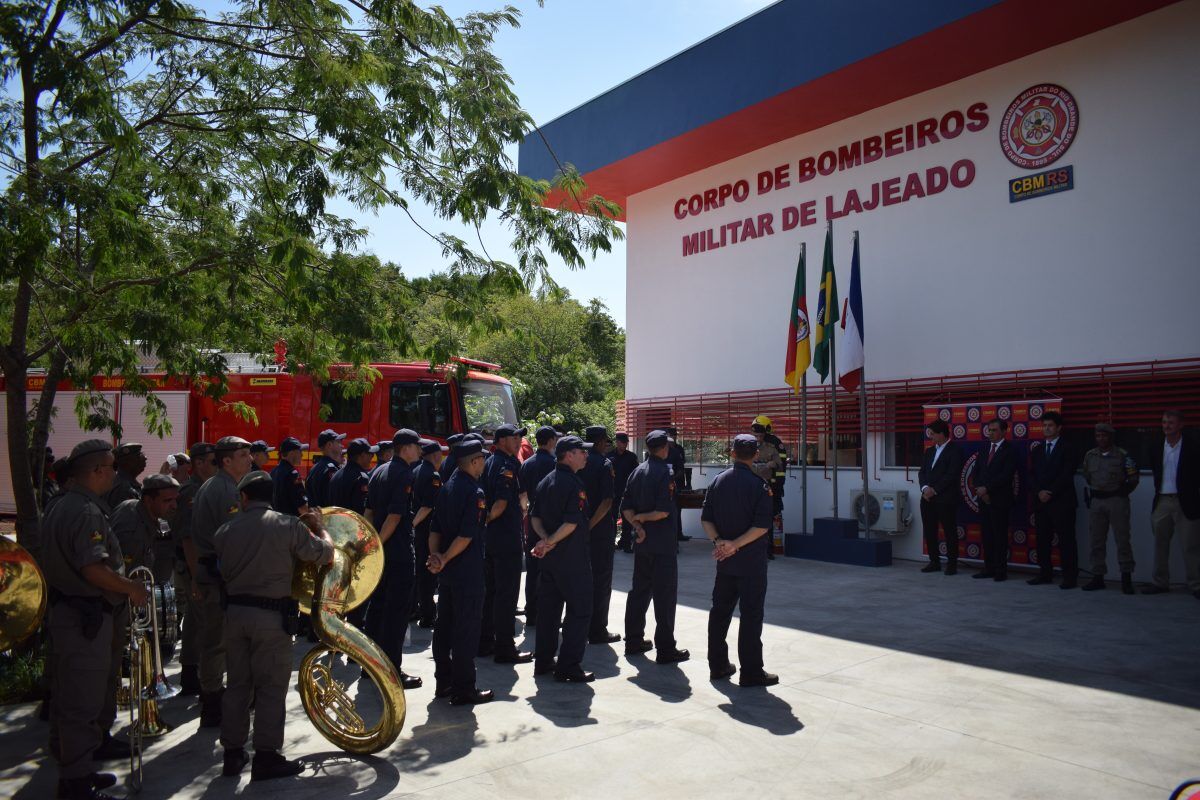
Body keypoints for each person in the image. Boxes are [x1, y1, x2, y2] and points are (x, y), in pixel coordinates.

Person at [41, 439, 151, 800]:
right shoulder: (85, 511)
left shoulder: (62, 503)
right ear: (97, 471)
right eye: (111, 468)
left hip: (67, 613)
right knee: (81, 704)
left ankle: (79, 769)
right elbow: (93, 568)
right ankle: (74, 784)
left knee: (68, 698)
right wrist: (130, 589)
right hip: (83, 617)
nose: (114, 475)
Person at [215, 470, 334, 781]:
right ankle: (266, 757)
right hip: (271, 618)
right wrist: (321, 529)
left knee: (237, 685)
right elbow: (325, 555)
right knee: (270, 687)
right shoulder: (287, 525)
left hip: (234, 615)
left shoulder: (225, 530)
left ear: (243, 497)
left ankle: (232, 753)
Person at [702, 434, 778, 687]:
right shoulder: (760, 486)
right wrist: (734, 545)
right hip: (751, 564)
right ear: (756, 454)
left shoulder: (718, 482)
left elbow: (706, 519)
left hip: (725, 562)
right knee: (751, 616)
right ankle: (751, 671)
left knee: (720, 614)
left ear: (732, 453)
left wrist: (719, 543)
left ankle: (718, 666)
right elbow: (761, 527)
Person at [190, 435, 254, 726]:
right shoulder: (226, 490)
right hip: (218, 575)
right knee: (216, 641)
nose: (249, 459)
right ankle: (213, 703)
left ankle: (214, 696)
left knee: (217, 640)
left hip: (214, 572)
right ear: (226, 460)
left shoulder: (219, 485)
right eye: (243, 455)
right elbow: (234, 538)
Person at [427, 438, 494, 704]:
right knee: (465, 631)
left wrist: (436, 557)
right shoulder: (474, 492)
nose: (484, 464)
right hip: (467, 571)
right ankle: (464, 688)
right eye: (482, 459)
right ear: (474, 461)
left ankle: (443, 682)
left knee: (444, 628)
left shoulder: (447, 487)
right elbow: (466, 536)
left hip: (449, 574)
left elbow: (435, 529)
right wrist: (442, 557)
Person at [530, 435, 596, 682]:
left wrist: (546, 541)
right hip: (572, 561)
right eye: (582, 451)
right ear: (569, 455)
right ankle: (568, 666)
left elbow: (534, 517)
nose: (586, 455)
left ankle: (544, 661)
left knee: (548, 612)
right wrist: (550, 542)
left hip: (550, 561)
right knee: (580, 611)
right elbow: (571, 523)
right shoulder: (573, 484)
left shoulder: (546, 481)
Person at [622, 429, 688, 663]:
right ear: (665, 448)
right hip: (662, 545)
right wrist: (643, 519)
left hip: (643, 544)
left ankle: (633, 641)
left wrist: (637, 525)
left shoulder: (636, 472)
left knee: (639, 593)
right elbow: (661, 512)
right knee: (665, 596)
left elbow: (626, 508)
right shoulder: (665, 474)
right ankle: (665, 649)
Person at [364, 428, 424, 689]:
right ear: (405, 448)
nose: (420, 450)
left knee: (377, 611)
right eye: (416, 446)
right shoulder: (403, 473)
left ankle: (370, 667)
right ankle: (391, 672)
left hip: (381, 553)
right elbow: (395, 516)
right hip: (396, 553)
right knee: (395, 615)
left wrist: (369, 543)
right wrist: (377, 544)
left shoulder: (380, 470)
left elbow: (368, 511)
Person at [480, 424, 533, 662]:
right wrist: (489, 520)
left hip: (492, 539)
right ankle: (504, 648)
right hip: (505, 538)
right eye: (514, 437)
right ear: (501, 440)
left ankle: (485, 642)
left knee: (491, 592)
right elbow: (500, 504)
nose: (518, 440)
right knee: (506, 594)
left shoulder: (490, 461)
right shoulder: (507, 465)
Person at [172, 442, 216, 696]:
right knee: (199, 620)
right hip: (193, 566)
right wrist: (197, 577)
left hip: (197, 567)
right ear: (198, 463)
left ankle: (192, 672)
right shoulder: (192, 491)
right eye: (212, 461)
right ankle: (191, 674)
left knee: (197, 619)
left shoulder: (204, 488)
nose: (216, 466)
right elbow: (188, 539)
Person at [1143, 409, 1200, 598]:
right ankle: (1160, 582)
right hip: (1163, 500)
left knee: (1190, 546)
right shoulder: (1156, 445)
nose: (1166, 426)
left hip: (1185, 501)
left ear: (1181, 425)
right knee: (1160, 544)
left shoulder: (1192, 445)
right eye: (1164, 422)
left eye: (1171, 422)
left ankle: (1196, 585)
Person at [1081, 423, 1139, 593]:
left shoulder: (1122, 455)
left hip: (1116, 501)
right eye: (1098, 436)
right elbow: (1087, 475)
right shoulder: (1090, 455)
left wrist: (1122, 492)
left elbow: (1133, 478)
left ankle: (1126, 578)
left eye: (1104, 436)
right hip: (1097, 501)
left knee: (1122, 540)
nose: (1101, 439)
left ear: (1111, 437)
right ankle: (1098, 577)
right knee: (1096, 541)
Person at [1028, 412, 1080, 589]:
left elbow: (1067, 474)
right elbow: (1032, 475)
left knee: (1066, 540)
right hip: (1041, 502)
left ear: (1059, 428)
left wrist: (1050, 491)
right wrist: (1040, 492)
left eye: (1050, 425)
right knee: (1042, 540)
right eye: (1044, 425)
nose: (1046, 429)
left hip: (1062, 501)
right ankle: (1045, 573)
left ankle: (1070, 577)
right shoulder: (1037, 450)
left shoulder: (1068, 448)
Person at [581, 425, 620, 645]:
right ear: (600, 442)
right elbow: (607, 501)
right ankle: (597, 630)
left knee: (584, 579)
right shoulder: (604, 464)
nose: (607, 444)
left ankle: (583, 625)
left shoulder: (580, 461)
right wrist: (591, 525)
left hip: (579, 530)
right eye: (606, 440)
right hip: (599, 531)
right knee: (602, 580)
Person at [519, 425, 559, 625]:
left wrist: (525, 512)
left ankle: (531, 611)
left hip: (532, 522)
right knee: (552, 570)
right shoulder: (555, 464)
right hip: (551, 524)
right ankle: (548, 613)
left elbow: (522, 496)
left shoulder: (527, 464)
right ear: (551, 441)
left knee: (533, 568)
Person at [110, 474, 180, 583]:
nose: (174, 506)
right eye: (167, 500)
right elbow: (124, 573)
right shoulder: (132, 528)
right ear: (148, 500)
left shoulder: (143, 512)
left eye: (175, 499)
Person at [918, 419, 964, 575]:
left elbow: (951, 475)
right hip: (927, 498)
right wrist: (925, 489)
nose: (931, 437)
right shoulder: (929, 451)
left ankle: (952, 564)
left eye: (933, 434)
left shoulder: (955, 450)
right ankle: (934, 561)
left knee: (949, 531)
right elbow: (922, 472)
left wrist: (935, 490)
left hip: (945, 498)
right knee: (930, 530)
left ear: (942, 434)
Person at [973, 418, 1016, 581]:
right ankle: (988, 567)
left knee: (1000, 536)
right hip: (983, 500)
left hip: (1000, 499)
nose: (990, 433)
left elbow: (1006, 475)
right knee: (987, 535)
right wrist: (980, 490)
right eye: (989, 430)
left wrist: (988, 489)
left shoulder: (1010, 450)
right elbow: (976, 473)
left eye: (994, 430)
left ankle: (1000, 570)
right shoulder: (984, 449)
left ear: (1004, 432)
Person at [411, 438, 446, 628]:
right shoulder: (433, 475)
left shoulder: (415, 470)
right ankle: (427, 614)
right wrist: (414, 524)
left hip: (418, 530)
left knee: (420, 572)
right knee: (428, 574)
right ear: (436, 455)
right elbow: (427, 506)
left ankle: (418, 608)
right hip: (426, 530)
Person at [750, 418, 783, 558]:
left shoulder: (772, 446)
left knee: (767, 517)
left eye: (760, 435)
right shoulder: (748, 446)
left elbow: (780, 464)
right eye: (755, 435)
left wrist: (772, 465)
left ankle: (768, 550)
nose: (758, 438)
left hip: (767, 486)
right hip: (750, 487)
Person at [327, 438, 377, 515]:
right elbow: (361, 510)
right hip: (351, 524)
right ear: (362, 455)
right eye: (370, 454)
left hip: (335, 523)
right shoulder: (361, 478)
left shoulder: (336, 474)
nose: (372, 457)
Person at [610, 432, 640, 553]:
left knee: (627, 519)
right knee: (612, 518)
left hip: (627, 492)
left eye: (626, 442)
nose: (624, 444)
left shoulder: (631, 457)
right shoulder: (610, 456)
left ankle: (626, 543)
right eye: (622, 442)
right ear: (617, 443)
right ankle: (611, 543)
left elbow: (636, 474)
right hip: (613, 491)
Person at [305, 429, 345, 508]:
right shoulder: (331, 469)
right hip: (328, 517)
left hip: (317, 516)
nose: (342, 446)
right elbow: (334, 500)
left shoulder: (314, 468)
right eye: (338, 442)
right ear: (329, 445)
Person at [271, 437, 311, 516]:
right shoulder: (292, 474)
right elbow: (302, 507)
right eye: (300, 451)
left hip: (275, 521)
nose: (302, 455)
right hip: (290, 523)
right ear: (292, 453)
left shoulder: (273, 471)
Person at [665, 427, 690, 541]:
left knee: (677, 510)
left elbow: (681, 466)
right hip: (663, 485)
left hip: (677, 483)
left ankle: (678, 535)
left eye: (675, 435)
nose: (674, 437)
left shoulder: (678, 449)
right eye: (671, 435)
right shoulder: (661, 450)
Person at [104, 442, 146, 509]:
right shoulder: (124, 488)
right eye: (139, 455)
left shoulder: (125, 483)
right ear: (126, 462)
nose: (145, 458)